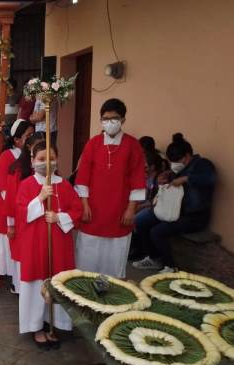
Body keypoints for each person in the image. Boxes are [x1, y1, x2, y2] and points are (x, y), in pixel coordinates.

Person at [16, 142, 82, 348]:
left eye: (51, 158)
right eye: (41, 159)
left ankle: (55, 323)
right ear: (32, 161)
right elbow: (21, 213)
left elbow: (77, 210)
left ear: (57, 160)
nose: (46, 163)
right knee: (37, 282)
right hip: (35, 244)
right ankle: (36, 327)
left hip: (59, 245)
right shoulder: (26, 184)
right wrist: (40, 198)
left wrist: (59, 217)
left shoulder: (65, 185)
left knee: (57, 280)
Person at [74, 98, 145, 278]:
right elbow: (82, 177)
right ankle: (85, 288)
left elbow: (138, 179)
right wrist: (84, 204)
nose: (109, 122)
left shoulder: (133, 145)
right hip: (93, 210)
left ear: (123, 120)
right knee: (87, 258)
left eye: (114, 118)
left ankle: (111, 289)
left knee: (113, 259)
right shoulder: (93, 143)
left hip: (119, 211)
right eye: (105, 119)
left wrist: (131, 209)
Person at [133, 133, 216, 272]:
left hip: (193, 216)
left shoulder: (203, 165)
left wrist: (186, 179)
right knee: (140, 222)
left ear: (188, 155)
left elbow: (209, 180)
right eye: (171, 161)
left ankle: (170, 266)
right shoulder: (178, 169)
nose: (174, 164)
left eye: (177, 160)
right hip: (172, 210)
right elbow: (168, 187)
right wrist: (162, 180)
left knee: (157, 231)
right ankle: (152, 258)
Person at [0, 120, 32, 282]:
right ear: (17, 139)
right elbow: (3, 187)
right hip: (10, 205)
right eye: (28, 135)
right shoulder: (7, 156)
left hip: (25, 207)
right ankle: (11, 275)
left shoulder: (30, 155)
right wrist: (16, 206)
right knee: (10, 240)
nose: (31, 138)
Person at [5, 129, 41, 293]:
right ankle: (20, 288)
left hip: (41, 222)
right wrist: (11, 224)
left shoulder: (47, 170)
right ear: (28, 148)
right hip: (22, 221)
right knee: (22, 255)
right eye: (37, 147)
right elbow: (11, 200)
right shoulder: (18, 170)